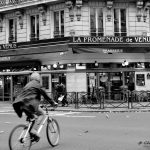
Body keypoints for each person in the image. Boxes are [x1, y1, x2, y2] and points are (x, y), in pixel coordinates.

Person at [13, 72, 58, 140]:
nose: (40, 78)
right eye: (39, 77)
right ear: (37, 78)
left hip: (20, 103)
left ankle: (24, 135)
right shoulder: (37, 84)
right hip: (29, 103)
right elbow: (45, 95)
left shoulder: (27, 85)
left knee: (32, 118)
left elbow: (28, 94)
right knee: (42, 114)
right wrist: (53, 103)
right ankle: (33, 131)